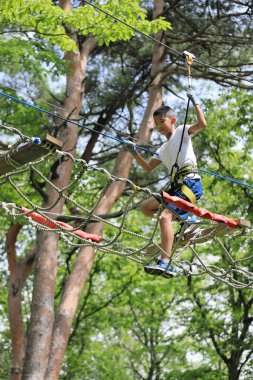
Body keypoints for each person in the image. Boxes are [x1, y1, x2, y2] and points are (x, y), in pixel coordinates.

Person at [125, 90, 206, 278]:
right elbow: (147, 167)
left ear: (173, 120)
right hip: (176, 187)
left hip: (190, 183)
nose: (160, 126)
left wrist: (195, 102)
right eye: (156, 124)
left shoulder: (181, 132)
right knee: (146, 208)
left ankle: (166, 262)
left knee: (164, 217)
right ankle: (187, 220)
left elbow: (202, 124)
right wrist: (134, 152)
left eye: (163, 121)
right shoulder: (162, 148)